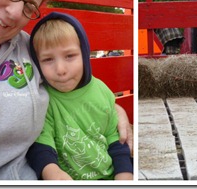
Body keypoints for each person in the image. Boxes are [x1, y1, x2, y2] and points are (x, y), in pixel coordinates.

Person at [0, 0, 133, 180]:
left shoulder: (29, 49)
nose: (14, 13)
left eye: (29, 7)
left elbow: (78, 92)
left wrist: (113, 110)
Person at [26, 12, 133, 180]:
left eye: (70, 56)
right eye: (47, 59)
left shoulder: (101, 91)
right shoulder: (43, 99)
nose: (60, 69)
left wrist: (124, 175)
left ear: (84, 54)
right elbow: (41, 147)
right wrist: (53, 173)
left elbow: (115, 140)